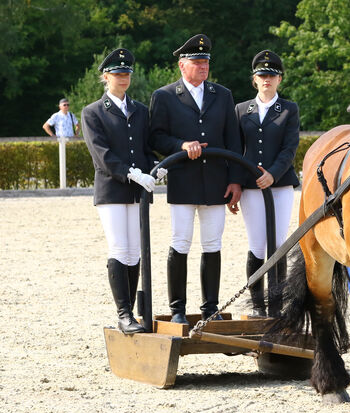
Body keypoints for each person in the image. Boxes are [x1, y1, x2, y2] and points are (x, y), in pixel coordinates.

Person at [149, 34, 243, 323]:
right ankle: (177, 310)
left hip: (216, 179)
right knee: (181, 242)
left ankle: (210, 308)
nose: (203, 67)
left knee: (213, 244)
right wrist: (180, 144)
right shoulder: (164, 96)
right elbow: (155, 137)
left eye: (206, 62)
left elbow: (233, 141)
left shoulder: (222, 94)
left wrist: (235, 179)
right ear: (182, 65)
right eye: (197, 62)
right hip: (183, 180)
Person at [81, 48, 165, 334]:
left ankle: (132, 311)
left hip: (138, 189)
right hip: (113, 189)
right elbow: (101, 155)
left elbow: (143, 148)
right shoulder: (92, 112)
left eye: (126, 73)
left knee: (135, 251)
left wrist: (156, 166)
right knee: (120, 248)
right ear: (106, 77)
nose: (123, 77)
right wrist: (132, 173)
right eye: (118, 73)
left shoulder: (140, 110)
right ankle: (124, 313)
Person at [234, 50, 300, 317]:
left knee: (278, 242)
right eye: (262, 75)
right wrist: (236, 184)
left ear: (279, 79)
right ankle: (257, 305)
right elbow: (237, 149)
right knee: (256, 244)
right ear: (255, 79)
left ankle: (276, 303)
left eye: (271, 75)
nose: (267, 79)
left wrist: (273, 173)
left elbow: (290, 147)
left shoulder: (288, 109)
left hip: (280, 184)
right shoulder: (241, 110)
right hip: (251, 186)